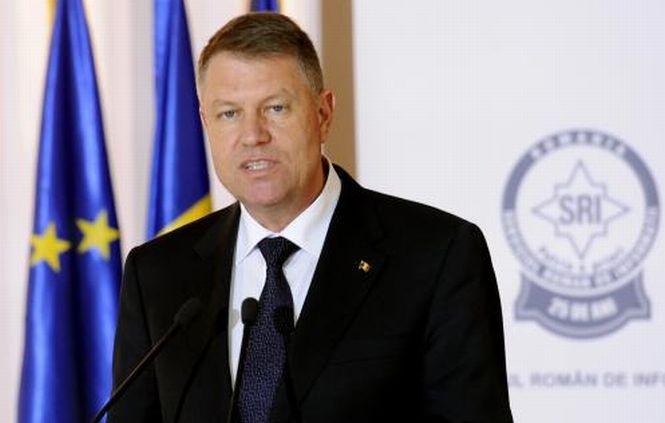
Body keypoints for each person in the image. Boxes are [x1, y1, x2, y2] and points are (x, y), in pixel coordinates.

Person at [109, 12, 513, 423]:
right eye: (229, 113)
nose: (253, 135)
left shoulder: (437, 256)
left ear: (323, 114)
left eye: (276, 108)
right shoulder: (157, 274)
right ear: (204, 123)